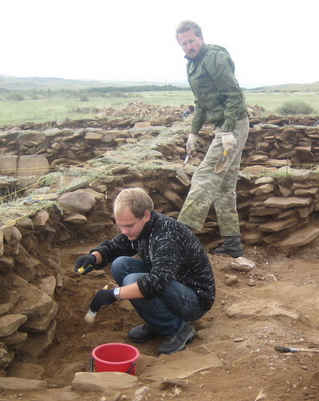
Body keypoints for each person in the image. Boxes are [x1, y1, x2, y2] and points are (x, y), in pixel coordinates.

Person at [74, 188, 215, 355]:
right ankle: (157, 321)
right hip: (175, 285)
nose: (124, 231)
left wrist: (114, 294)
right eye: (120, 226)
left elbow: (157, 283)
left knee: (132, 281)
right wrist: (94, 257)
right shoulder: (142, 228)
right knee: (120, 264)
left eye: (129, 225)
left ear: (146, 216)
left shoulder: (165, 236)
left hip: (194, 299)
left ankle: (176, 328)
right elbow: (115, 247)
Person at [175, 20, 250, 258]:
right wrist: (193, 131)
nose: (188, 46)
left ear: (200, 37)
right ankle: (232, 243)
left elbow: (234, 95)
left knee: (204, 176)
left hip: (234, 124)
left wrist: (228, 130)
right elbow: (200, 101)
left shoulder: (215, 58)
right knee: (224, 187)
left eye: (191, 40)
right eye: (183, 43)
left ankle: (179, 239)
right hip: (226, 126)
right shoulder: (192, 64)